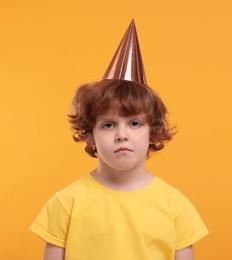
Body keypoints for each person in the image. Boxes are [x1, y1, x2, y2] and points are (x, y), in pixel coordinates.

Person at [29, 20, 209, 260]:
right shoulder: (66, 203)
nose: (121, 134)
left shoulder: (176, 206)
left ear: (152, 132)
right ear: (90, 135)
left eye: (134, 123)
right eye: (108, 124)